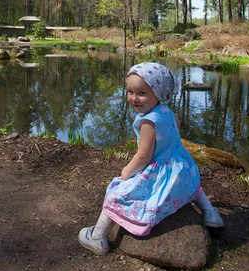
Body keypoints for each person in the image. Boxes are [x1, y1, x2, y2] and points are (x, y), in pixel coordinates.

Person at [78, 61, 224, 255]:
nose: (134, 98)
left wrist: (127, 171)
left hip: (162, 173)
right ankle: (210, 213)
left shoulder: (149, 122)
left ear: (159, 93)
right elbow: (175, 131)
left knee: (116, 193)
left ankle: (97, 236)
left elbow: (143, 156)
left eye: (141, 93)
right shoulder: (167, 111)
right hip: (183, 169)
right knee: (195, 188)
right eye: (130, 92)